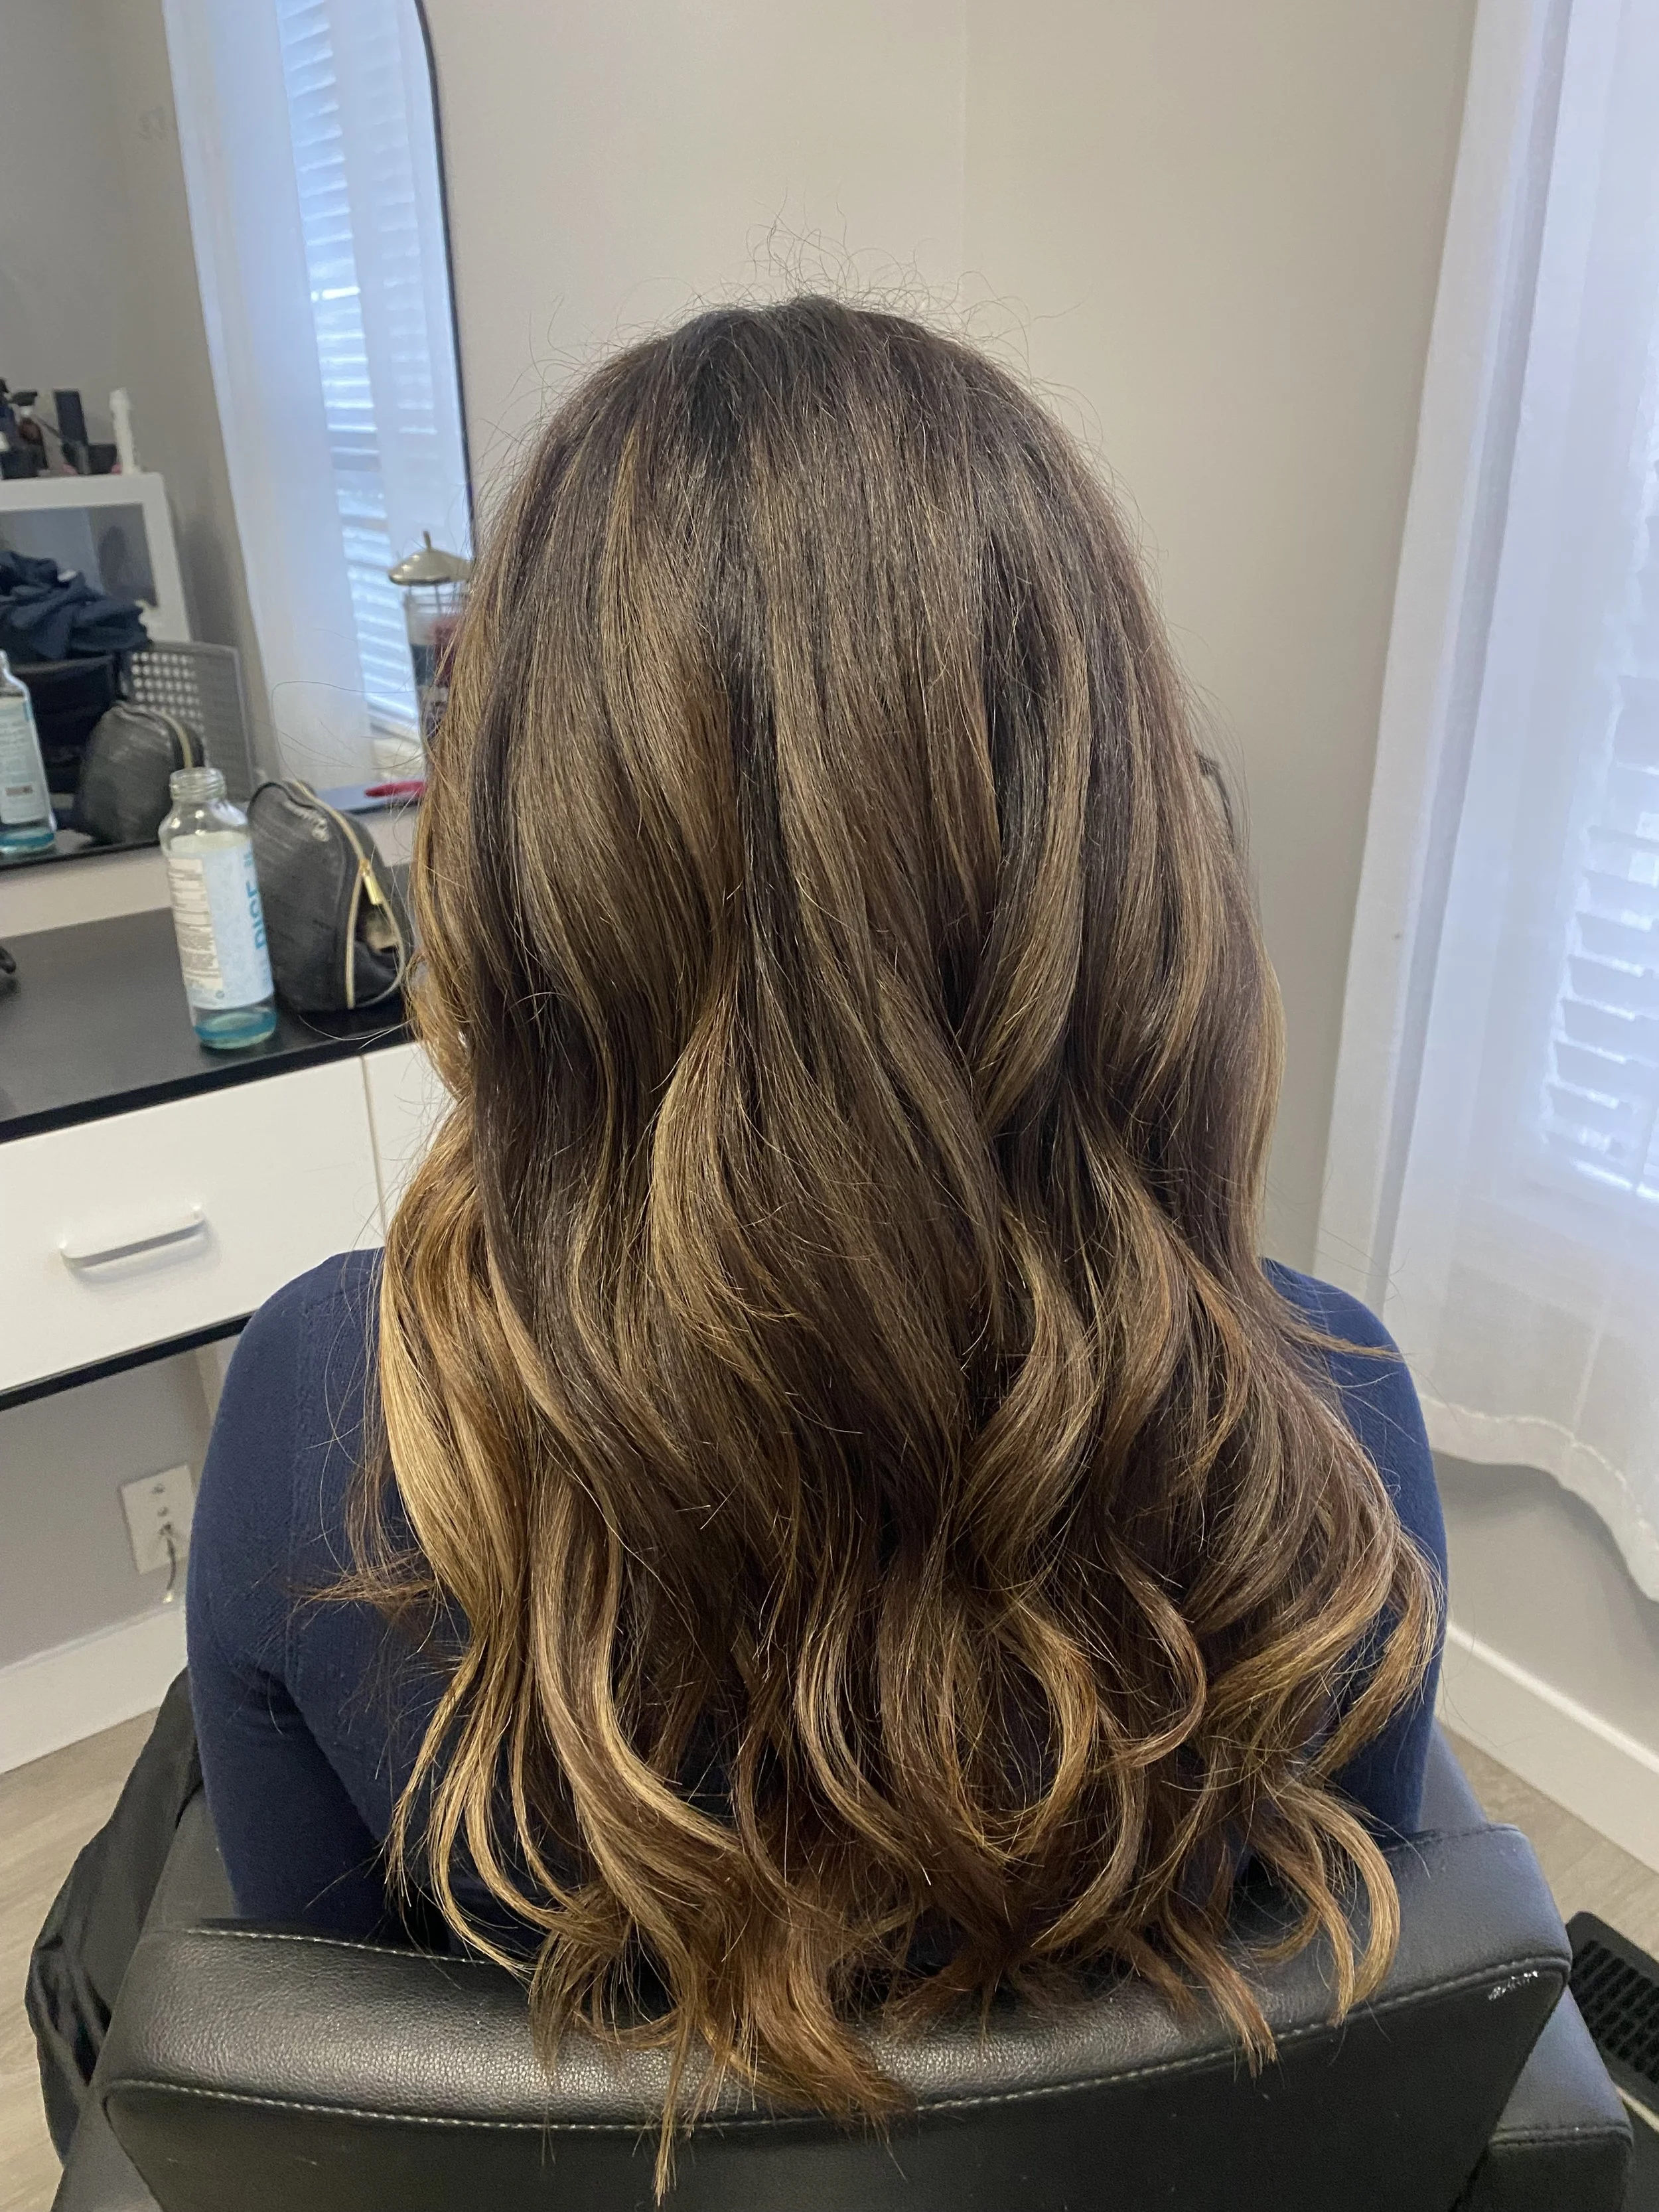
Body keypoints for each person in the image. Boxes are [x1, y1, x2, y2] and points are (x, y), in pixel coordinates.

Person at [186, 297, 1445, 2134]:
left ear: (531, 856)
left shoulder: (328, 1421)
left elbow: (309, 2120)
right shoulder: (1335, 1423)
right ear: (1114, 840)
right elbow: (1347, 2067)